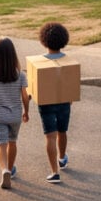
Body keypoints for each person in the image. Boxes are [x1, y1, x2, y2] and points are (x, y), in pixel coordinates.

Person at [0, 37, 29, 189]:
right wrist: (26, 112)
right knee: (12, 141)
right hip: (15, 115)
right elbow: (24, 96)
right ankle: (11, 168)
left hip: (0, 116)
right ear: (13, 55)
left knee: (1, 144)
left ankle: (4, 170)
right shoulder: (20, 75)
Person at [36, 22, 72, 183]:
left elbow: (34, 86)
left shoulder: (39, 63)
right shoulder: (69, 61)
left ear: (43, 41)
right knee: (62, 131)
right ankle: (62, 157)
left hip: (46, 104)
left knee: (50, 136)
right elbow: (72, 85)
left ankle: (54, 172)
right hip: (64, 102)